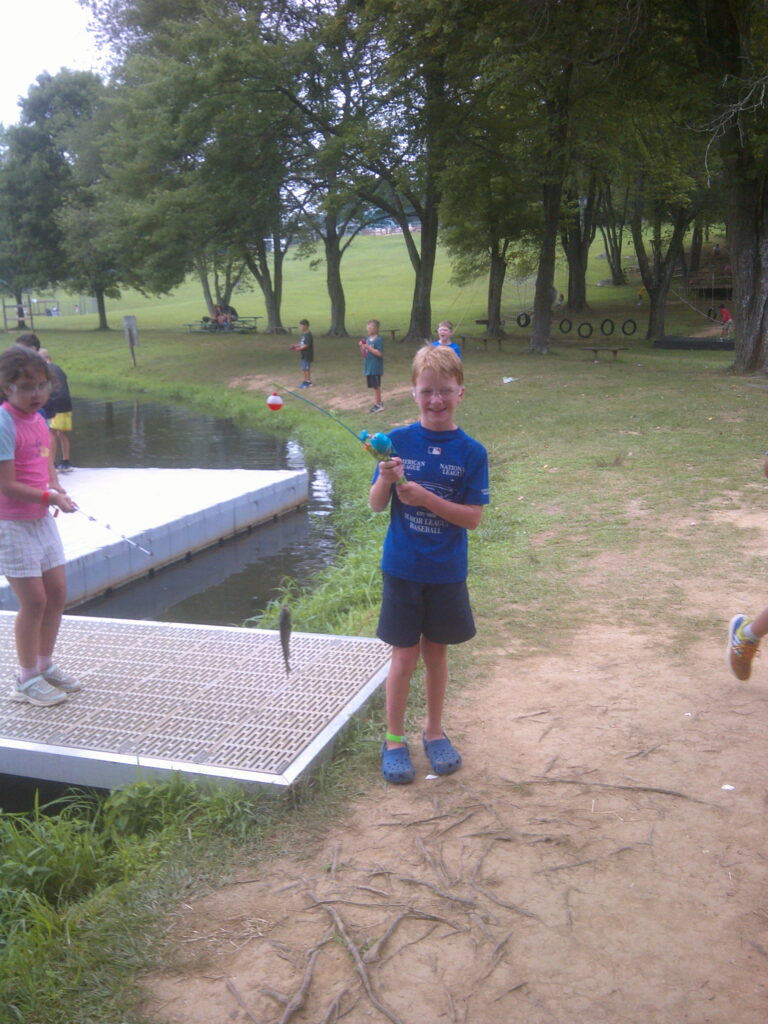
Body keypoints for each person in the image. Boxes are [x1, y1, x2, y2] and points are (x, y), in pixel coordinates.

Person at [369, 345, 490, 784]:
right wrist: (385, 479)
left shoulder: (472, 452)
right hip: (403, 568)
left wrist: (425, 498)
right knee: (403, 657)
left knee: (436, 655)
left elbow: (472, 519)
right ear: (413, 393)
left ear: (461, 393)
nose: (436, 400)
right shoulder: (397, 442)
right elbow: (376, 505)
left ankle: (434, 732)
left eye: (445, 391)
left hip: (446, 572)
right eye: (427, 391)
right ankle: (394, 740)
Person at [0, 346, 80, 707]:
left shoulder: (40, 417)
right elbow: (7, 485)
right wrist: (49, 496)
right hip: (11, 523)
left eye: (42, 385)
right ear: (7, 388)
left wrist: (54, 486)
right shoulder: (4, 423)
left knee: (57, 593)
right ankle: (26, 678)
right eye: (27, 387)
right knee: (34, 601)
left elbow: (44, 454)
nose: (37, 394)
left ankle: (45, 665)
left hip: (40, 517)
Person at [39, 348, 74, 472]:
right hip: (66, 403)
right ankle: (66, 461)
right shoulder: (59, 369)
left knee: (51, 433)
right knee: (62, 433)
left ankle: (50, 464)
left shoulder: (44, 371)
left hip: (55, 403)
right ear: (50, 358)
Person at [359, 319, 384, 413]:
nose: (368, 329)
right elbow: (364, 353)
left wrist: (368, 347)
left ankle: (378, 404)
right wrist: (362, 347)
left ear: (376, 329)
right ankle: (377, 403)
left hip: (375, 366)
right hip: (368, 366)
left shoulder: (378, 340)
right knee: (373, 386)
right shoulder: (367, 339)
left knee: (376, 386)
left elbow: (379, 353)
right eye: (367, 327)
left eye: (370, 328)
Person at [291, 319, 314, 388]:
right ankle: (306, 380)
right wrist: (296, 345)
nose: (300, 327)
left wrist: (299, 349)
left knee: (306, 368)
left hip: (307, 354)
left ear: (306, 326)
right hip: (303, 354)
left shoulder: (308, 335)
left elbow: (306, 345)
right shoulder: (303, 334)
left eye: (301, 326)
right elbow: (302, 343)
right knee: (304, 368)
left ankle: (308, 382)